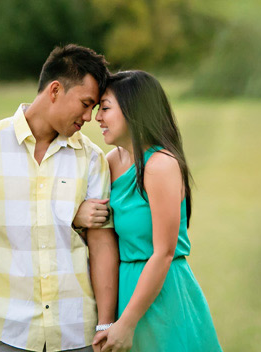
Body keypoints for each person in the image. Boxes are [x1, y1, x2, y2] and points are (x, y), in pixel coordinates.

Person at [0, 44, 119, 352]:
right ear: (54, 90)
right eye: (86, 103)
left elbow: (101, 244)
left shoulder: (92, 159)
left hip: (76, 337)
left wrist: (104, 325)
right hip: (1, 335)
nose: (89, 117)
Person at [82, 70, 222, 352]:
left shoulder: (161, 165)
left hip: (162, 297)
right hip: (124, 289)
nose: (97, 117)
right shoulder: (111, 161)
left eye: (105, 108)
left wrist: (128, 322)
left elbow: (164, 252)